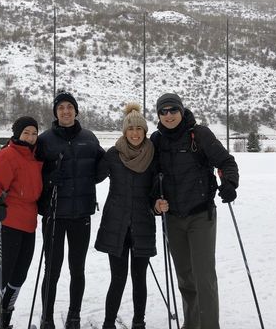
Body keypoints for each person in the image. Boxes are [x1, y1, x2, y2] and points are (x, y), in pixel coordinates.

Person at [150, 93, 239, 329]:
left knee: (203, 277)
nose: (169, 115)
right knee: (185, 277)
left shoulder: (199, 135)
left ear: (181, 111)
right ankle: (191, 324)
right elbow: (152, 180)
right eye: (163, 111)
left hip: (201, 215)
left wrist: (230, 183)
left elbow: (226, 162)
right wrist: (155, 202)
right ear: (159, 115)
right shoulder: (156, 140)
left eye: (173, 110)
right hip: (173, 219)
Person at [36, 90, 105, 329]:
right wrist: (48, 179)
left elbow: (101, 167)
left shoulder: (89, 137)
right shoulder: (44, 140)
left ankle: (74, 315)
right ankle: (47, 317)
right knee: (52, 270)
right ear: (55, 112)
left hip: (81, 214)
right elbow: (32, 173)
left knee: (78, 269)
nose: (65, 111)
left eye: (69, 107)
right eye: (61, 107)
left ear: (76, 111)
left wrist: (96, 176)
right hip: (54, 214)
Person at [95, 103, 168, 329]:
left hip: (142, 224)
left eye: (139, 129)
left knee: (139, 279)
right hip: (116, 225)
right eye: (130, 129)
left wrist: (158, 205)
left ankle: (139, 322)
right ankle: (108, 323)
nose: (135, 133)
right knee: (117, 279)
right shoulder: (113, 154)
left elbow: (156, 191)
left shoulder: (153, 155)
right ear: (124, 131)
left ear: (145, 131)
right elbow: (94, 176)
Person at [0, 116, 43, 329]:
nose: (30, 137)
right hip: (8, 222)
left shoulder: (35, 158)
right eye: (26, 133)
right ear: (17, 134)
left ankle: (4, 320)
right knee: (2, 275)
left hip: (29, 224)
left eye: (34, 133)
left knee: (19, 276)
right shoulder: (7, 155)